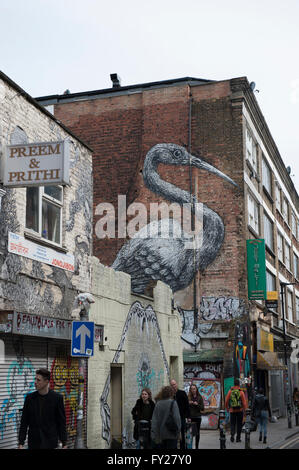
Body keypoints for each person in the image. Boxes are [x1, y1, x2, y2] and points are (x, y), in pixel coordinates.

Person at [18, 368, 67, 449]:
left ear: (46, 382)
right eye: (35, 379)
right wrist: (21, 442)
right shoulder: (29, 398)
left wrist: (64, 442)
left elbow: (61, 422)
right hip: (34, 442)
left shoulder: (57, 398)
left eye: (38, 380)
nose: (35, 382)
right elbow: (24, 422)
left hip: (50, 442)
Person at [225, 378, 247, 443]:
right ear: (239, 384)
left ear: (234, 384)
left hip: (232, 410)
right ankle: (238, 438)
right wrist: (245, 411)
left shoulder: (230, 391)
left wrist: (227, 408)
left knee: (232, 424)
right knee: (239, 424)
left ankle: (232, 436)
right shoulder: (241, 392)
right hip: (240, 410)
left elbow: (226, 401)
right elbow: (244, 402)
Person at [170, 379, 190, 449]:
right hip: (172, 419)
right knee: (173, 434)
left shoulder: (182, 393)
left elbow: (187, 405)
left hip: (181, 417)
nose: (173, 386)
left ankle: (182, 447)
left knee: (182, 434)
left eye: (174, 384)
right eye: (172, 385)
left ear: (177, 385)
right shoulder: (170, 395)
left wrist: (188, 416)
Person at [188, 383, 204, 449]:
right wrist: (188, 403)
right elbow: (186, 408)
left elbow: (202, 408)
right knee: (190, 433)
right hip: (191, 418)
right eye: (192, 389)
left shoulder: (199, 397)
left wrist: (197, 404)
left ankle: (197, 446)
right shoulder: (188, 397)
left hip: (197, 417)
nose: (193, 390)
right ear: (190, 390)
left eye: (194, 389)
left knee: (197, 433)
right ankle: (190, 446)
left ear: (196, 389)